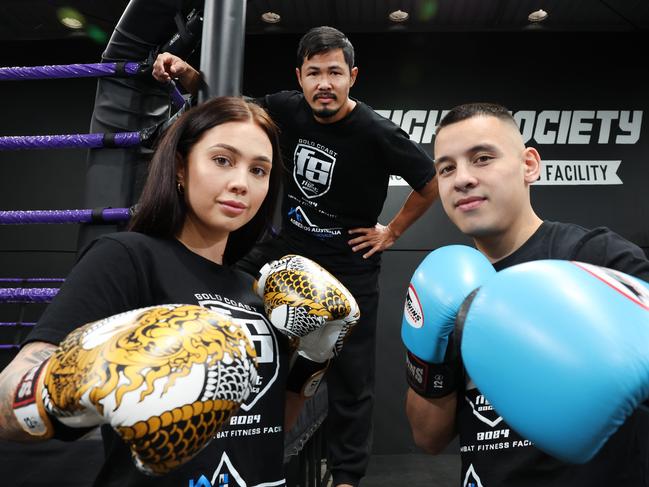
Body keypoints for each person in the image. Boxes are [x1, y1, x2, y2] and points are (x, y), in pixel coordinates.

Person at [153, 26, 438, 487]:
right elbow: (232, 109)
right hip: (287, 246)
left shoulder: (377, 132)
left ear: (352, 77)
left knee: (351, 380)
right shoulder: (284, 108)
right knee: (215, 299)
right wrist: (190, 78)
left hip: (350, 262)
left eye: (334, 73)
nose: (324, 83)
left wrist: (391, 232)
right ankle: (205, 429)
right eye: (314, 73)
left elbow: (429, 184)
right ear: (300, 78)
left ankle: (346, 478)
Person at [0, 96, 294, 486]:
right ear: (180, 168)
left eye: (259, 170)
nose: (241, 182)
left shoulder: (253, 289)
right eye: (222, 160)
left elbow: (266, 430)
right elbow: (6, 402)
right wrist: (67, 386)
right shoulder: (127, 258)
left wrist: (314, 360)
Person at [404, 102, 649, 486]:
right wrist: (428, 349)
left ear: (529, 165)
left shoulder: (596, 258)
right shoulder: (446, 284)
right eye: (446, 168)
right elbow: (428, 437)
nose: (462, 179)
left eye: (482, 158)